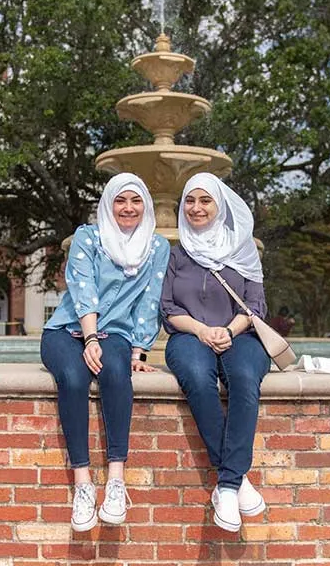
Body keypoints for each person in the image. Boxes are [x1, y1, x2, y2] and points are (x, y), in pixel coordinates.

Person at [41, 173, 170, 532]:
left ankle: (116, 479)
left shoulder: (158, 247)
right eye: (120, 201)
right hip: (68, 331)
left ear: (145, 205)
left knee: (116, 373)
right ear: (108, 204)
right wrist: (90, 337)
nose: (127, 208)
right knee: (72, 377)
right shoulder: (88, 237)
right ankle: (83, 485)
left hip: (114, 334)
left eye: (135, 201)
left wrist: (139, 350)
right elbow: (83, 288)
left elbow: (150, 301)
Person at [160, 172, 272, 533]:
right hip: (190, 335)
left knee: (243, 378)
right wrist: (202, 330)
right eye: (190, 201)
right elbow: (167, 308)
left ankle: (225, 485)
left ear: (220, 205)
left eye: (205, 200)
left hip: (241, 335)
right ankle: (236, 481)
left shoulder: (243, 248)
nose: (196, 208)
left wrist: (228, 330)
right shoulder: (176, 254)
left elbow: (256, 304)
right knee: (195, 376)